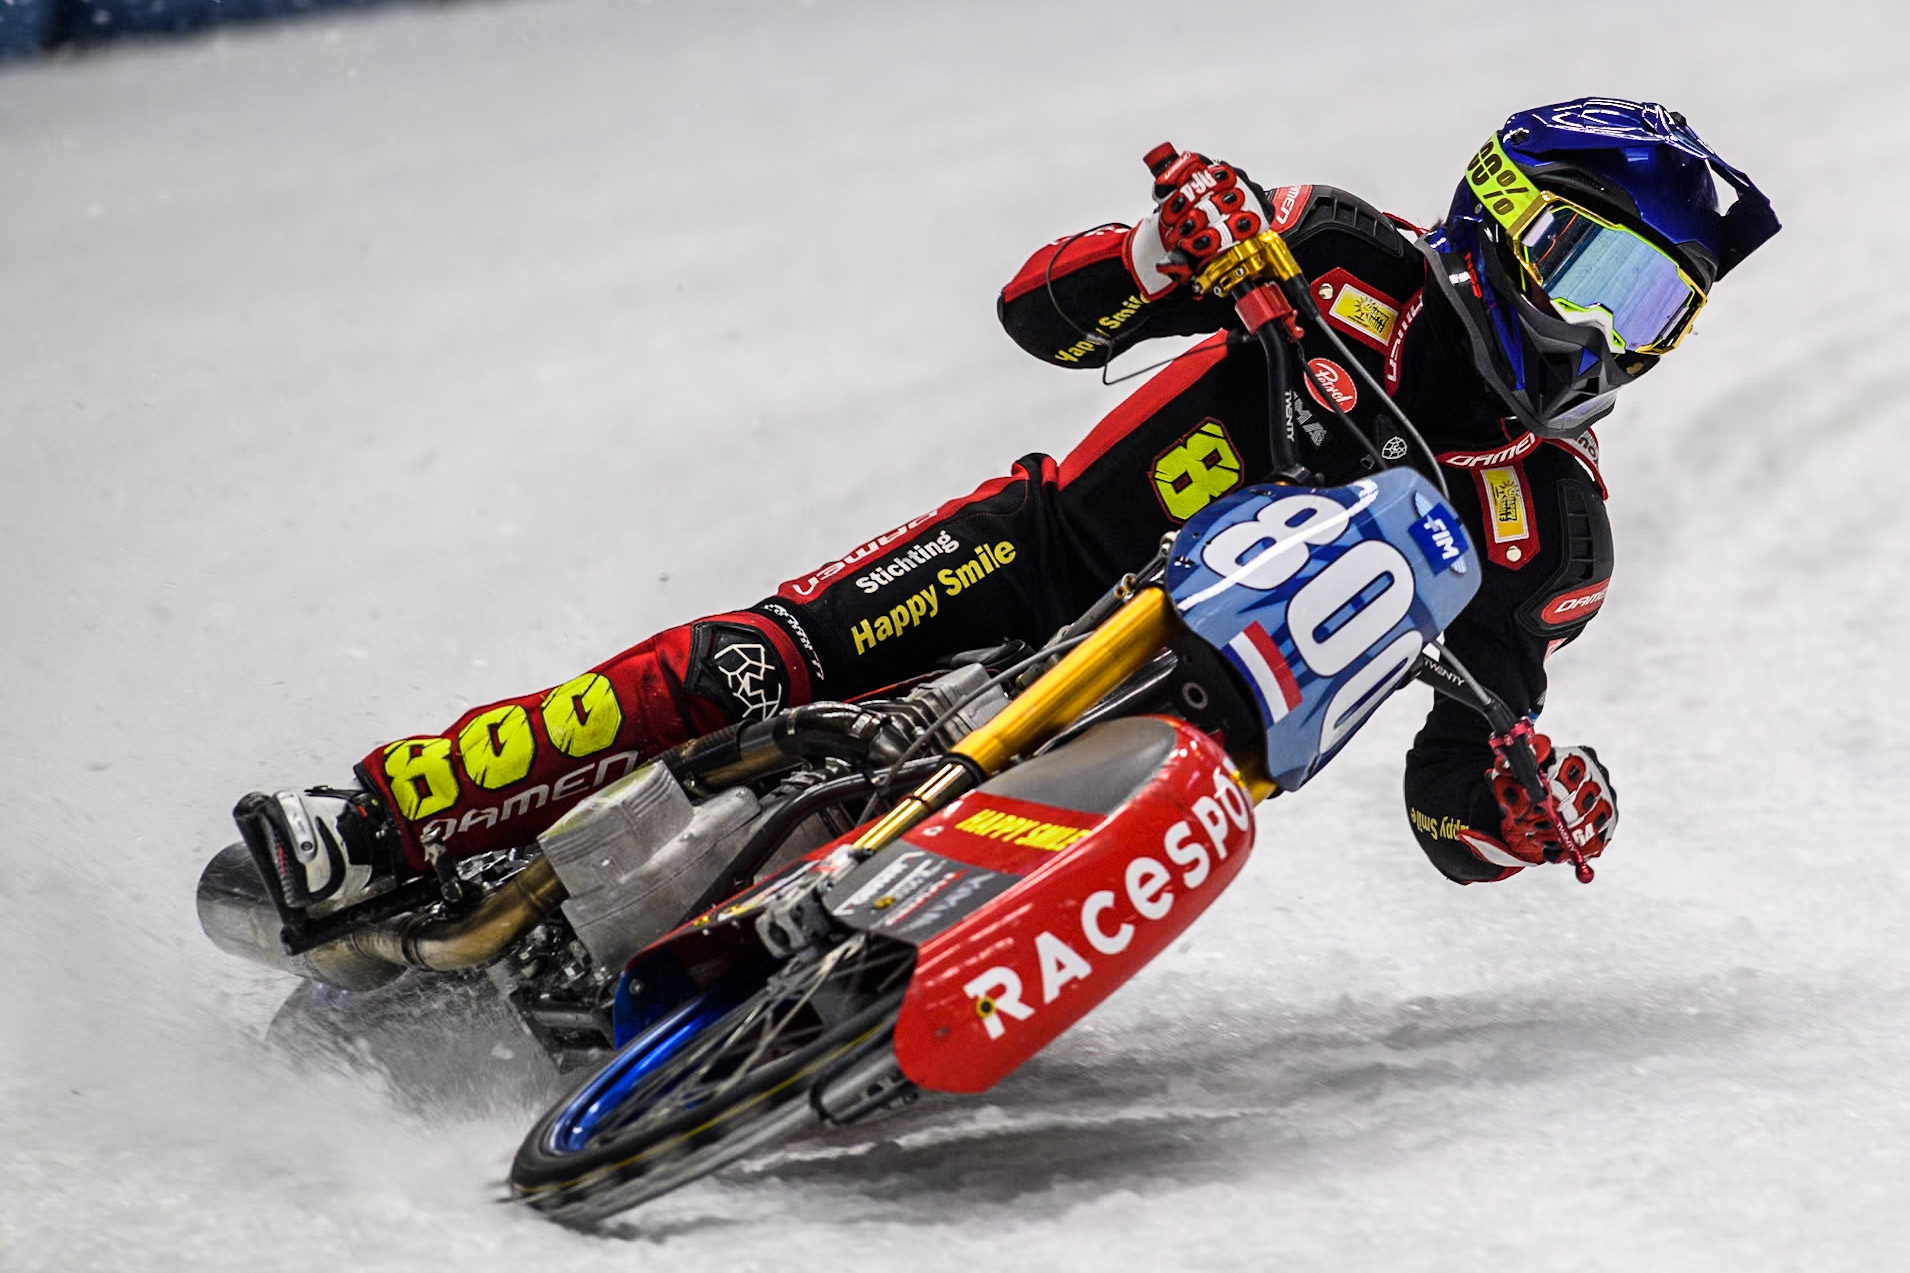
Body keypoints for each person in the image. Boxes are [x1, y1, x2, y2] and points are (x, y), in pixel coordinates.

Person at [236, 96, 1778, 920]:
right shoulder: (1335, 251)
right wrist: (1161, 256)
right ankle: (376, 817)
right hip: (1035, 556)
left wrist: (1510, 815)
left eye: (1660, 312)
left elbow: (1453, 789)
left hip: (1182, 747)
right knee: (743, 667)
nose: (1616, 338)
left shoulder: (1557, 535)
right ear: (1501, 225)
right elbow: (1042, 317)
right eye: (1606, 279)